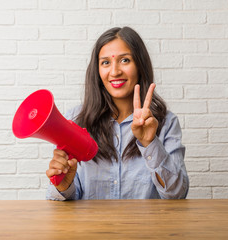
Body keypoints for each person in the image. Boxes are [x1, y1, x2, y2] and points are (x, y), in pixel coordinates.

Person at [46, 26, 189, 200]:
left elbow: (177, 194)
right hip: (91, 227)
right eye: (106, 62)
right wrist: (63, 184)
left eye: (125, 60)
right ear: (97, 71)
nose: (114, 72)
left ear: (140, 65)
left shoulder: (166, 122)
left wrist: (150, 143)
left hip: (146, 227)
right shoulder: (74, 120)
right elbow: (58, 202)